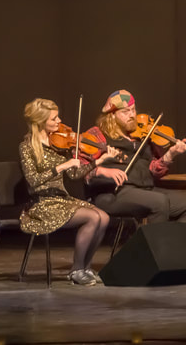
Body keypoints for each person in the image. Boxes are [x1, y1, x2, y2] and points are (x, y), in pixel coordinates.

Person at [18, 98, 118, 286]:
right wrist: (62, 166)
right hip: (41, 204)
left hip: (61, 199)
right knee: (92, 217)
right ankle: (76, 270)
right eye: (54, 118)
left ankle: (86, 268)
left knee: (103, 217)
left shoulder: (58, 143)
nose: (59, 122)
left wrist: (98, 161)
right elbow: (33, 181)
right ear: (40, 121)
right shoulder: (27, 147)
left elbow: (73, 174)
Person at [79, 90, 186, 229]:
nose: (132, 115)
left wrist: (170, 154)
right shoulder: (98, 134)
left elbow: (153, 171)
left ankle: (171, 246)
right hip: (113, 193)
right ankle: (154, 249)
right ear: (112, 115)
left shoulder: (142, 136)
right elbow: (79, 168)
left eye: (133, 110)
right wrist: (102, 171)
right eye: (125, 112)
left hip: (145, 190)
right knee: (159, 202)